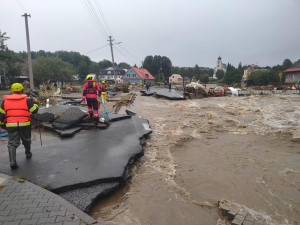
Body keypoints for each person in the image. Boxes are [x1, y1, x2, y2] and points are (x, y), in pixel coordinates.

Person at [0, 83, 39, 170]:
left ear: (12, 90)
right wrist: (36, 103)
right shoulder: (26, 100)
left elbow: (1, 115)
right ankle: (28, 153)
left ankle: (12, 161)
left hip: (11, 125)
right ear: (21, 90)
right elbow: (34, 111)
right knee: (26, 139)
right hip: (24, 124)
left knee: (12, 143)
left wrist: (2, 124)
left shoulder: (5, 101)